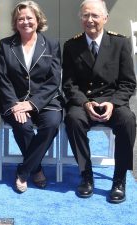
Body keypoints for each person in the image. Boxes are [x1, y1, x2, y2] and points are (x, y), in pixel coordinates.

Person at [62, 0, 136, 204]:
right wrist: (85, 103)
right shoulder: (71, 46)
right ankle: (86, 176)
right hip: (84, 102)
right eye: (85, 15)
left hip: (113, 102)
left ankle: (119, 180)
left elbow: (129, 83)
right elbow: (68, 85)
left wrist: (113, 103)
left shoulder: (120, 43)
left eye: (95, 15)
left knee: (128, 120)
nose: (90, 20)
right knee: (72, 119)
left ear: (105, 18)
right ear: (80, 19)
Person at [0, 1, 62, 193]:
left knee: (51, 124)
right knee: (23, 126)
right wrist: (17, 104)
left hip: (46, 101)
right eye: (20, 19)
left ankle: (24, 170)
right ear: (15, 23)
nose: (25, 22)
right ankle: (37, 168)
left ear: (38, 19)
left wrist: (32, 104)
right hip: (14, 101)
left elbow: (53, 80)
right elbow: (3, 78)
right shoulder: (5, 45)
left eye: (29, 18)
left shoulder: (51, 44)